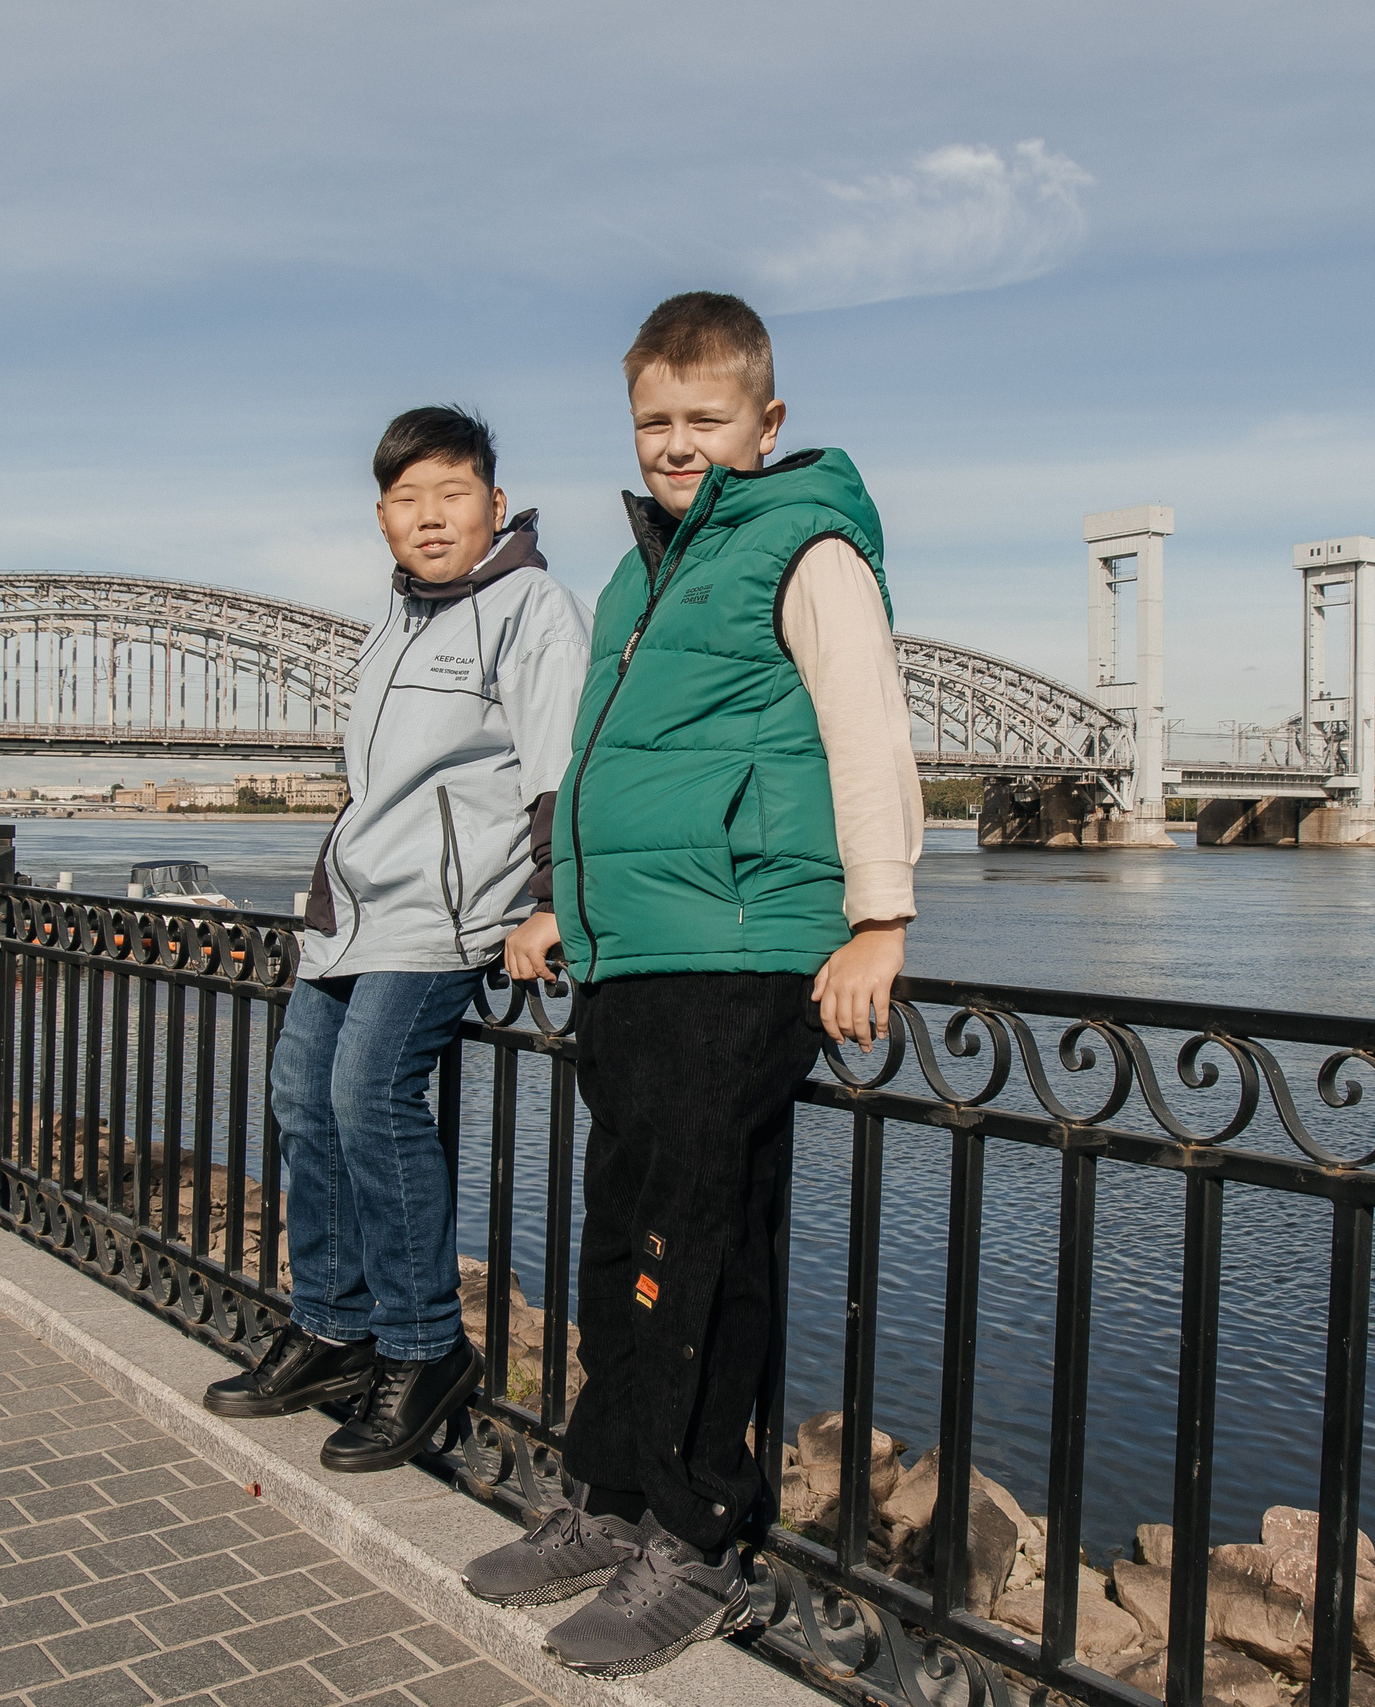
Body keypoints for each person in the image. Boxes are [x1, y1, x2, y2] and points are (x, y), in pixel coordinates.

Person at [466, 294, 923, 1674]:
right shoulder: (639, 573)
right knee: (621, 1240)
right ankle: (606, 1497)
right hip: (632, 948)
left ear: (764, 423)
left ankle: (699, 1533)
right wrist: (556, 900)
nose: (676, 443)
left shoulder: (807, 542)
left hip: (738, 947)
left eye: (704, 420)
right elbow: (611, 763)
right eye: (655, 421)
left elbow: (865, 720)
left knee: (697, 1251)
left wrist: (879, 918)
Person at [203, 406, 591, 1476]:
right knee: (300, 1099)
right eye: (407, 499)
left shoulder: (532, 608)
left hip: (441, 912)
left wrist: (552, 900)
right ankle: (332, 1327)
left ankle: (425, 1351)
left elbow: (559, 763)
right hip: (353, 912)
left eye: (451, 494)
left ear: (494, 505)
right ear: (381, 517)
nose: (430, 517)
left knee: (371, 1096)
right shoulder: (396, 621)